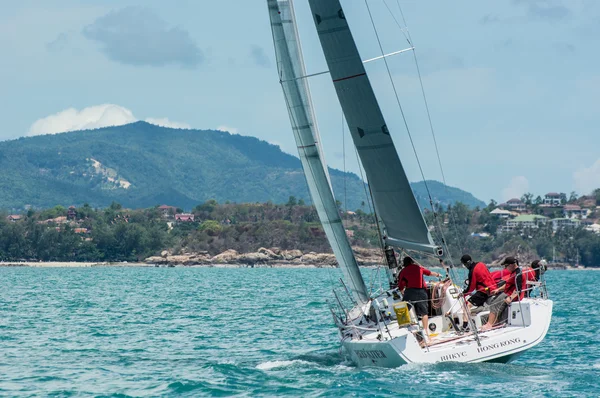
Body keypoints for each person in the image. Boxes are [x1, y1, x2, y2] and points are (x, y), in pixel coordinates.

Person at [397, 256, 442, 343]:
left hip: (410, 292)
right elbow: (429, 273)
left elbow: (401, 284)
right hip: (421, 291)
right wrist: (438, 274)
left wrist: (402, 291)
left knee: (403, 310)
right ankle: (426, 333)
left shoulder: (403, 271)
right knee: (424, 313)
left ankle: (402, 331)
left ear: (404, 264)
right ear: (412, 262)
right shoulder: (418, 268)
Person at [482, 256, 523, 331]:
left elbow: (518, 289)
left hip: (511, 294)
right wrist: (498, 289)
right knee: (493, 301)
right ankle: (494, 322)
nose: (505, 268)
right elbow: (508, 284)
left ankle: (489, 324)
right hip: (507, 292)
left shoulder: (518, 274)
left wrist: (511, 298)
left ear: (511, 265)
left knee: (495, 304)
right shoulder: (513, 272)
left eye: (506, 266)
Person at [460, 254, 497, 331]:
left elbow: (471, 287)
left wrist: (463, 293)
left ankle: (465, 326)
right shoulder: (481, 264)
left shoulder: (472, 271)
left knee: (467, 305)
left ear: (466, 264)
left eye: (464, 265)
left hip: (483, 292)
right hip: (492, 288)